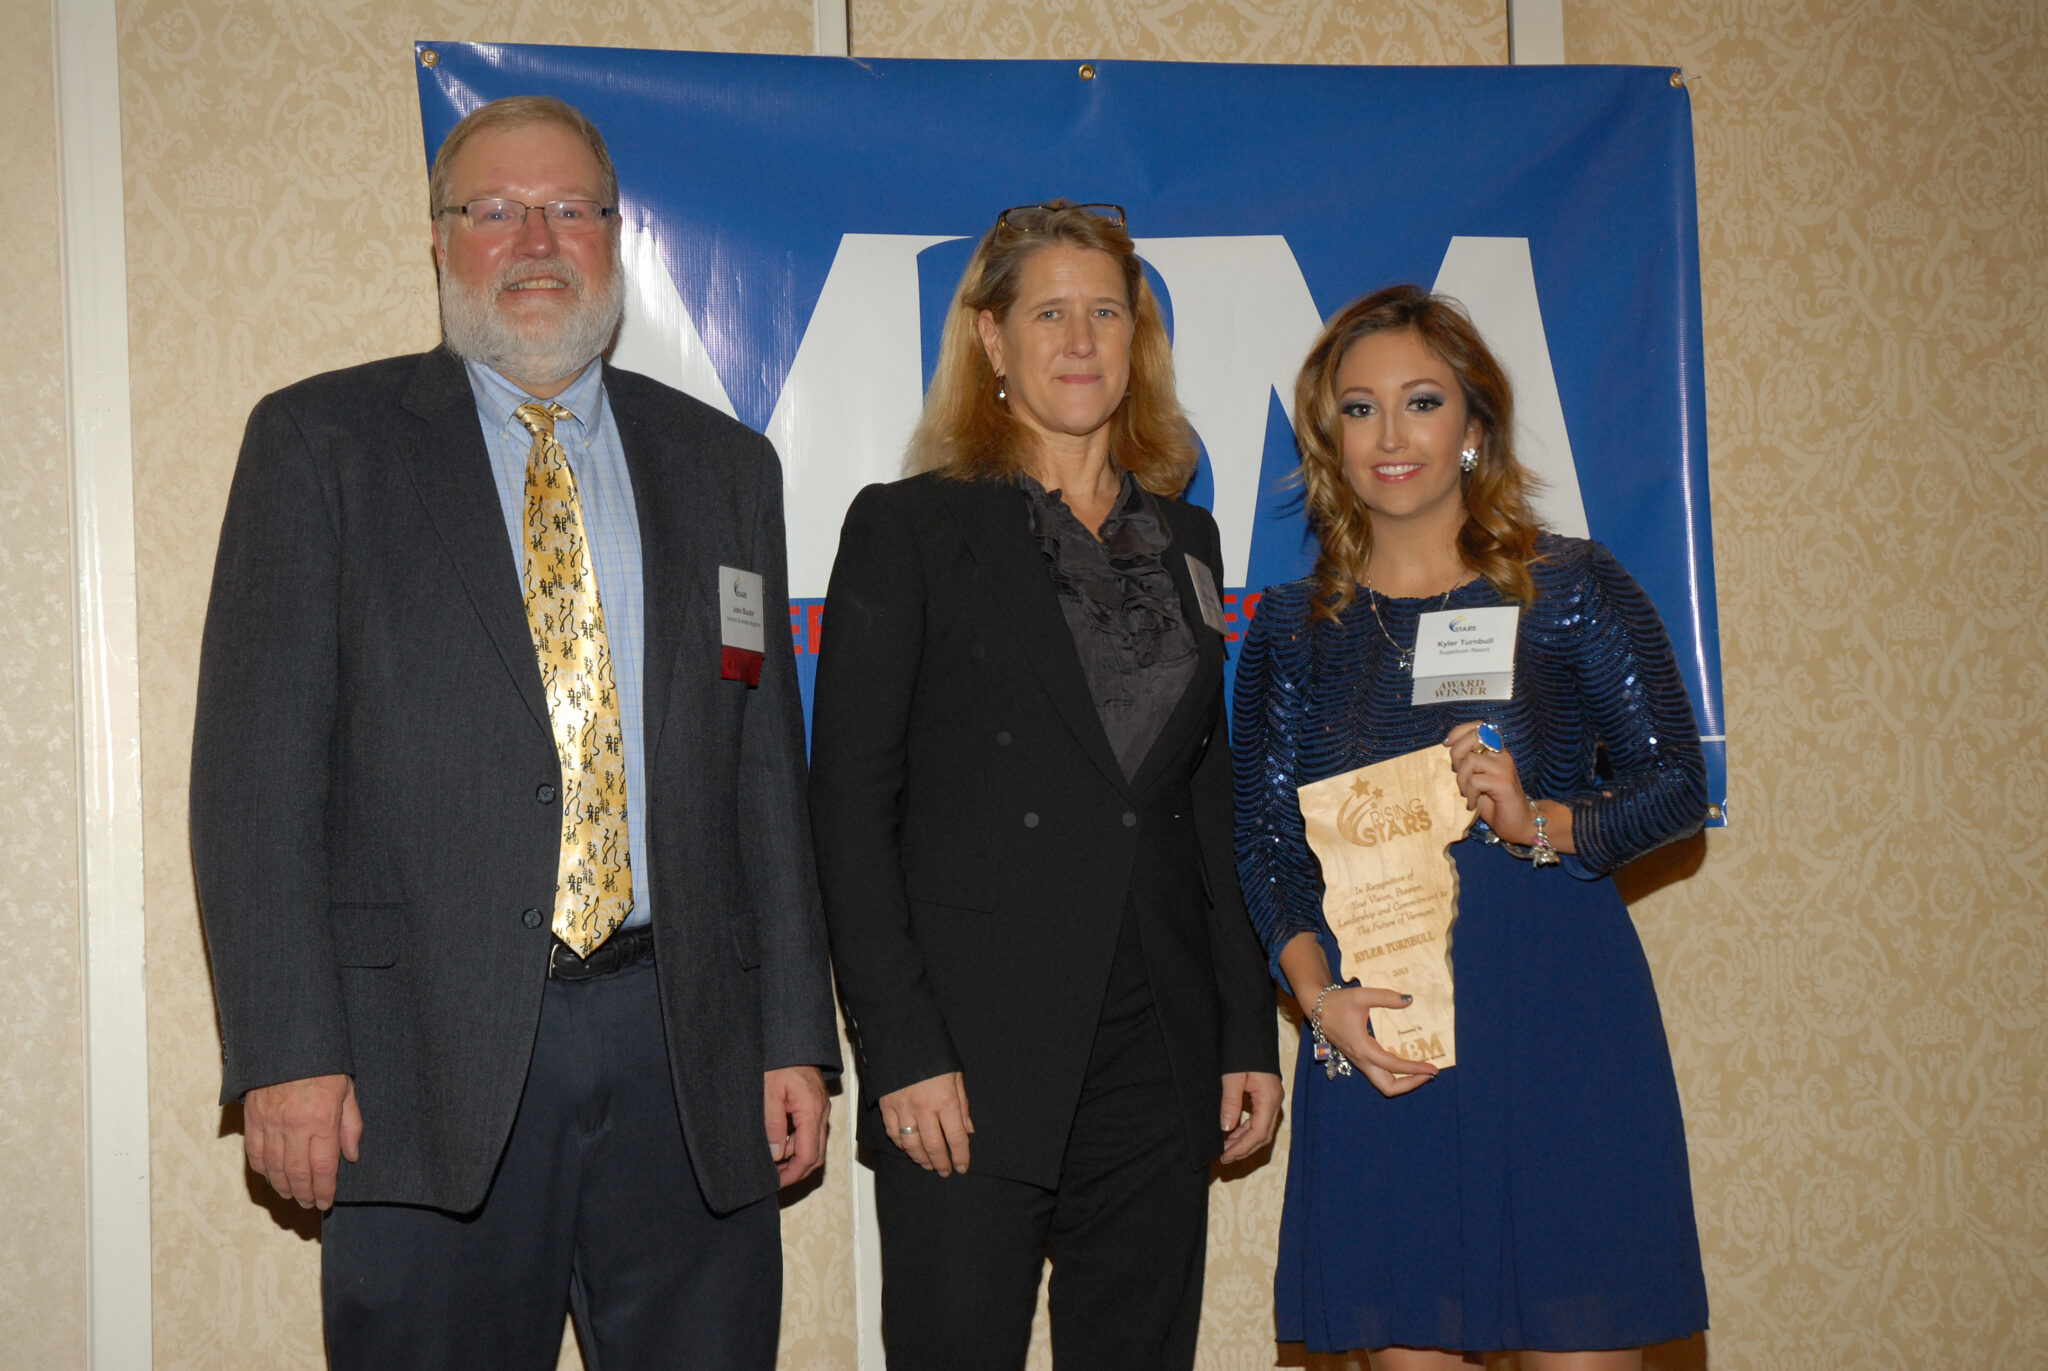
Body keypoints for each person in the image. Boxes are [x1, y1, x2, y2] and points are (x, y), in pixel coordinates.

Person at [190, 95, 839, 1369]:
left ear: (612, 235)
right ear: (439, 240)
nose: (534, 241)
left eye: (566, 210)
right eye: (493, 210)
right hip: (415, 1067)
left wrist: (792, 1039)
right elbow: (254, 780)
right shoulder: (320, 444)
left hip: (687, 1053)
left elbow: (764, 775)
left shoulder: (725, 466)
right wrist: (286, 1053)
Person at [808, 200, 1284, 1369]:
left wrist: (1243, 1032)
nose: (1080, 341)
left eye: (1105, 314)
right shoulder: (907, 528)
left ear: (1137, 340)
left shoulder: (1189, 539)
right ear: (991, 338)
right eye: (1048, 314)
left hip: (1155, 1055)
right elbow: (849, 810)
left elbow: (1203, 800)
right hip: (969, 1057)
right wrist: (900, 1049)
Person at [1233, 284, 1711, 1369]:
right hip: (1385, 1038)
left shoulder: (1568, 587)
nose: (1390, 436)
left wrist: (1542, 819)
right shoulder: (1292, 632)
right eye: (1359, 409)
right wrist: (1320, 1006)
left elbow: (1678, 784)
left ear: (1473, 425)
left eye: (1420, 402)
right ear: (1328, 438)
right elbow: (1264, 847)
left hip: (1558, 1021)